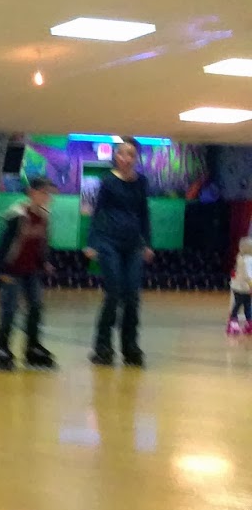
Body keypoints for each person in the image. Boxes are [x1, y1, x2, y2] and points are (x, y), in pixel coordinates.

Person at [85, 137, 154, 367]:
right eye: (123, 154)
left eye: (131, 155)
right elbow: (98, 212)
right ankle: (102, 347)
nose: (127, 158)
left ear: (136, 159)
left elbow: (144, 213)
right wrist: (92, 242)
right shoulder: (108, 181)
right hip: (108, 242)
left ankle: (130, 347)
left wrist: (148, 243)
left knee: (132, 296)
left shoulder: (141, 182)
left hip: (133, 245)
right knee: (114, 293)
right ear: (116, 156)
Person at [0, 177, 57, 370]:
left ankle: (32, 346)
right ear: (32, 193)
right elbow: (2, 244)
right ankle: (1, 347)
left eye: (49, 194)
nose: (48, 197)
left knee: (36, 307)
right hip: (11, 270)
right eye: (44, 193)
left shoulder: (44, 216)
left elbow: (42, 242)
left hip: (32, 270)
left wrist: (44, 262)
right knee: (9, 309)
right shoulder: (16, 215)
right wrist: (1, 269)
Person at [227, 237, 252, 336]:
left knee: (246, 305)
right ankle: (233, 323)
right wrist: (250, 284)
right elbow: (247, 275)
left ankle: (248, 323)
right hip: (242, 287)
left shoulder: (241, 257)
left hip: (241, 287)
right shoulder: (246, 260)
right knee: (239, 304)